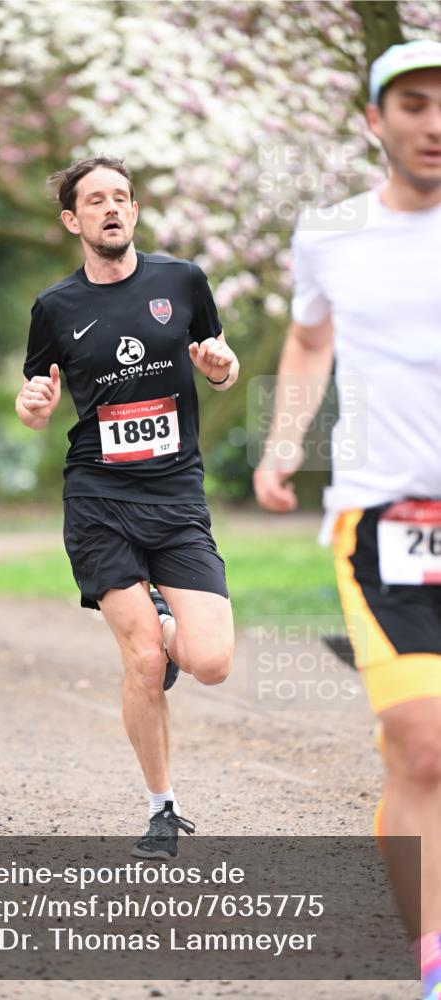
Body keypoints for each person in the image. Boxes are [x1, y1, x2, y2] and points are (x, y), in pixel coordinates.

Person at [253, 40, 441, 1000]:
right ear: (376, 122)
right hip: (384, 520)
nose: (434, 122)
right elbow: (307, 335)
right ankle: (433, 964)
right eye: (412, 103)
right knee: (424, 744)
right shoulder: (329, 232)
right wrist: (284, 440)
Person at [16, 156, 239, 859]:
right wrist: (34, 406)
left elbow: (220, 356)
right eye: (95, 200)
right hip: (98, 499)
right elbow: (32, 400)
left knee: (209, 663)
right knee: (143, 661)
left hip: (175, 496)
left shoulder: (182, 281)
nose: (110, 208)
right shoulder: (55, 309)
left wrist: (221, 368)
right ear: (72, 220)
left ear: (134, 212)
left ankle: (171, 619)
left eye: (121, 197)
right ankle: (161, 807)